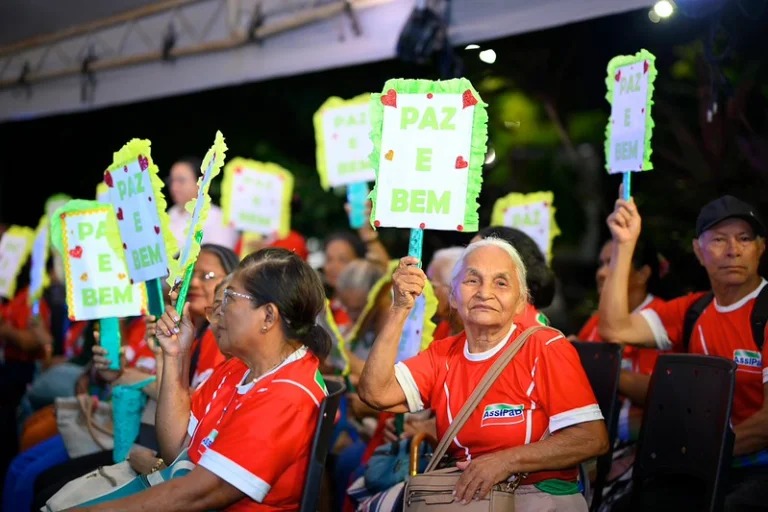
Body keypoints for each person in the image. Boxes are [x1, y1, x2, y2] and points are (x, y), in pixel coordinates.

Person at [70, 248, 332, 511]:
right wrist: (175, 355)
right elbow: (177, 450)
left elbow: (196, 495)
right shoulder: (238, 368)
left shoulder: (286, 396)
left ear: (268, 316)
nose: (218, 312)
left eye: (229, 297)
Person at [358, 238, 608, 509]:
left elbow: (591, 438)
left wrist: (504, 461)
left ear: (520, 302)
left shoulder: (545, 347)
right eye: (472, 281)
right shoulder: (444, 353)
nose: (484, 292)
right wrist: (400, 309)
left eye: (501, 283)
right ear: (453, 296)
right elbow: (375, 392)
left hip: (535, 496)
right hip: (466, 495)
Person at [597, 193, 768, 510]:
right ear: (698, 252)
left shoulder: (764, 312)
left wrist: (701, 452)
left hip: (755, 467)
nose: (733, 250)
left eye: (744, 238)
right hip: (707, 463)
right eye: (718, 240)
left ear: (760, 247)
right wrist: (623, 245)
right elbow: (614, 328)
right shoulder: (694, 309)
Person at [167, 156, 238, 250]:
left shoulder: (217, 218)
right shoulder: (172, 212)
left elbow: (218, 258)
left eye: (181, 180)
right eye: (172, 181)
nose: (174, 187)